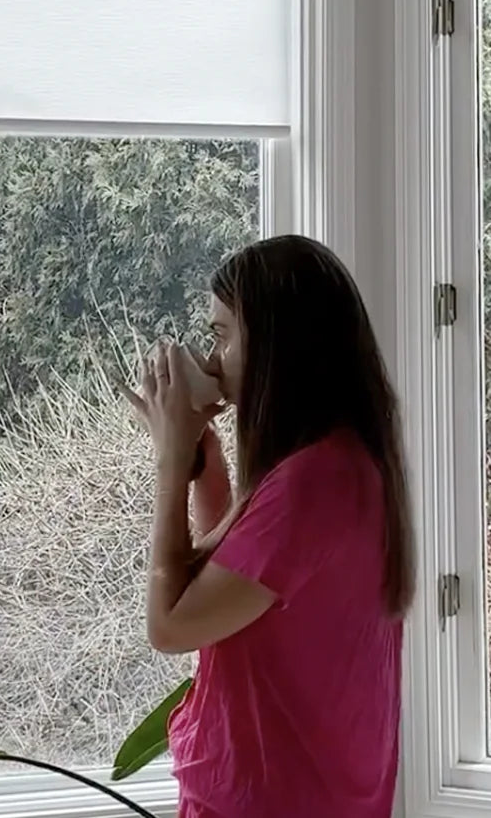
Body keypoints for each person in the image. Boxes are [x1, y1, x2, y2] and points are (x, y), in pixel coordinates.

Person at [127, 235, 414, 818]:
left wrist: (170, 462)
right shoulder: (339, 464)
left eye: (222, 335)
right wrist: (205, 469)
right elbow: (234, 596)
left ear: (278, 342)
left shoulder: (311, 483)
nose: (212, 359)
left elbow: (171, 626)